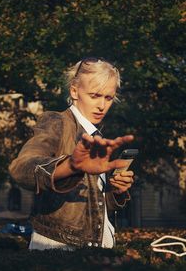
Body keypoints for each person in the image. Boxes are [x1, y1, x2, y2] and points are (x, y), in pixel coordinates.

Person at [9, 57, 134, 250]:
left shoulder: (96, 137)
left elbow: (91, 209)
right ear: (74, 91)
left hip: (99, 248)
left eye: (108, 98)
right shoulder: (56, 122)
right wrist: (70, 166)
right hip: (59, 249)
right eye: (94, 95)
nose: (102, 105)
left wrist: (115, 191)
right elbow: (21, 168)